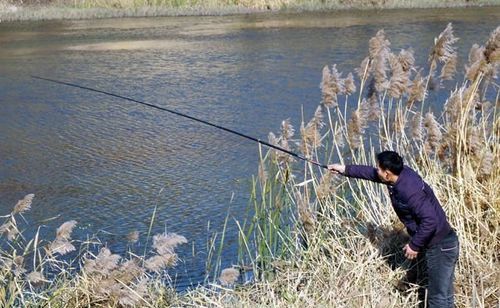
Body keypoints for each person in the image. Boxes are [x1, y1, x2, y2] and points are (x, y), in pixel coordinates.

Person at [328, 151, 459, 308]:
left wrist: (414, 245)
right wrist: (344, 169)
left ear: (387, 173)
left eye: (379, 169)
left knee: (438, 298)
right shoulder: (398, 175)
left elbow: (430, 220)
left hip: (441, 247)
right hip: (439, 243)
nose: (377, 171)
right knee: (443, 295)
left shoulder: (409, 191)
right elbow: (370, 173)